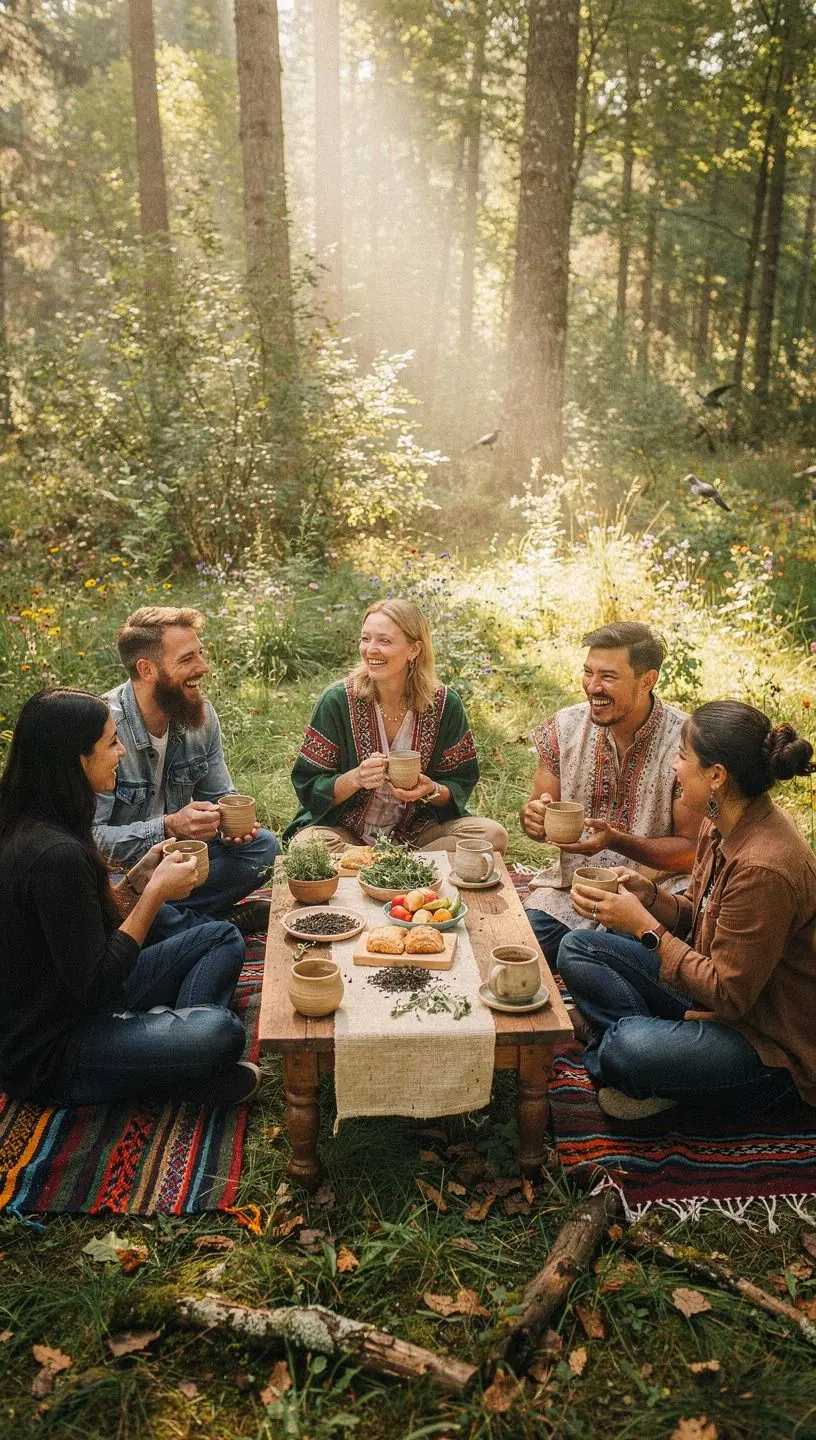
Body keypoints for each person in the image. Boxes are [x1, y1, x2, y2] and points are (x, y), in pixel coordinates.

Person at [0, 689, 260, 1108]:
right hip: (54, 1050)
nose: (120, 752)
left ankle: (173, 1061)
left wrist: (137, 881)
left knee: (221, 937)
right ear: (77, 759)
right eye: (111, 743)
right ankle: (180, 1067)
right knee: (220, 1032)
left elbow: (83, 930)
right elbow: (97, 985)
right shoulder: (52, 854)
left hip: (77, 998)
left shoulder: (45, 818)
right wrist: (155, 895)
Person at [559, 701, 816, 1120]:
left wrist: (644, 927)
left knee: (628, 1047)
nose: (674, 767)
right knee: (578, 947)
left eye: (682, 757)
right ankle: (656, 1059)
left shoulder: (763, 868)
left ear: (717, 776)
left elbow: (728, 995)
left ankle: (634, 1055)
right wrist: (649, 896)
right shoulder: (720, 821)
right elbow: (696, 916)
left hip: (767, 1043)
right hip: (707, 1001)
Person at [520, 621, 701, 963]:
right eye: (588, 672)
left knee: (603, 956)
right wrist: (532, 818)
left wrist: (615, 840)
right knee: (516, 944)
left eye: (608, 676)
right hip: (572, 892)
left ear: (647, 680)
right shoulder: (564, 728)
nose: (593, 687)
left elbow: (693, 851)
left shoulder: (685, 745)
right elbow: (536, 813)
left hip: (652, 896)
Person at [93, 606, 279, 934]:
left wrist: (230, 826)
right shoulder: (103, 728)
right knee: (103, 896)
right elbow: (90, 839)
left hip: (178, 862)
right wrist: (167, 827)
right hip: (123, 873)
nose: (203, 667)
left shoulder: (201, 717)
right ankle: (213, 925)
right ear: (147, 669)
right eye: (187, 659)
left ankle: (162, 924)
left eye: (200, 654)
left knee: (264, 847)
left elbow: (220, 796)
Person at [285, 598, 508, 855]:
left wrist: (431, 790)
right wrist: (355, 778)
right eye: (365, 639)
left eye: (385, 641)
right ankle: (396, 866)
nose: (371, 650)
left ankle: (389, 865)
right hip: (346, 833)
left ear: (414, 649)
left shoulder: (444, 704)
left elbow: (461, 780)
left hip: (417, 833)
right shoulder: (337, 700)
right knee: (306, 845)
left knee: (493, 835)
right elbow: (308, 785)